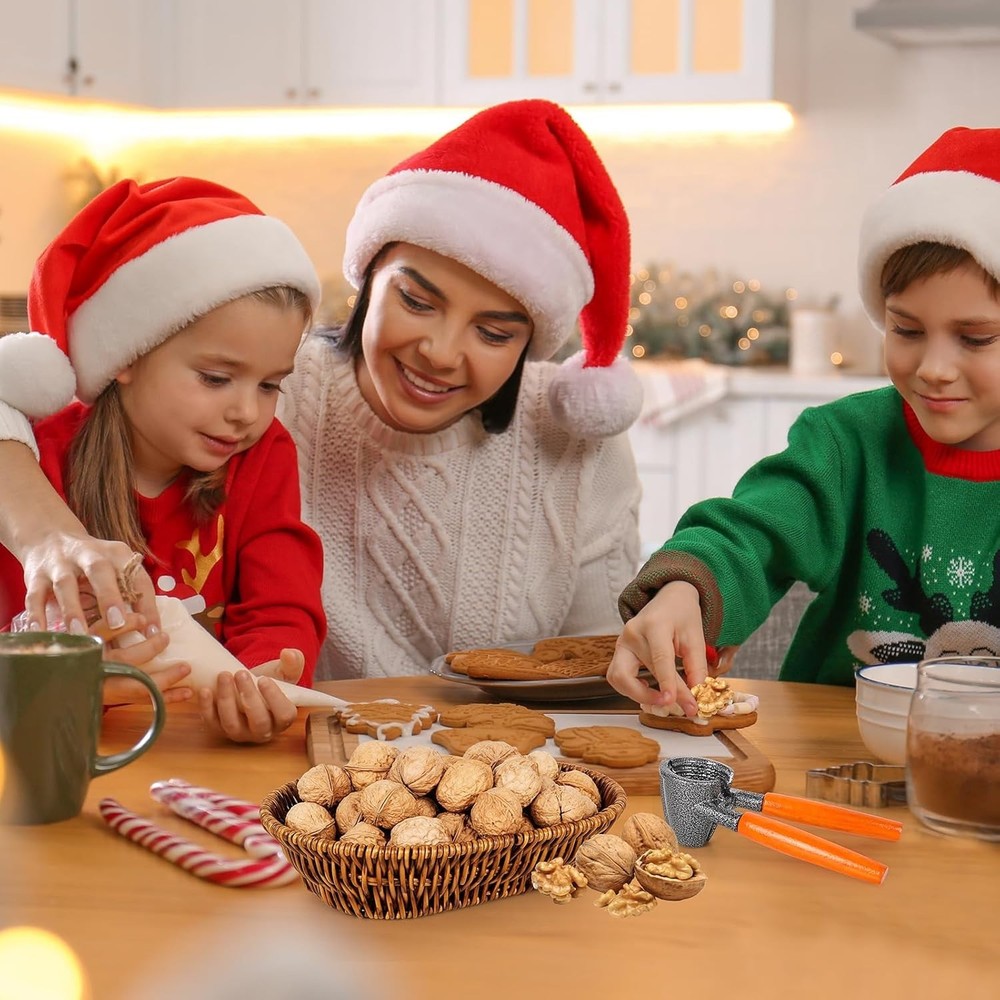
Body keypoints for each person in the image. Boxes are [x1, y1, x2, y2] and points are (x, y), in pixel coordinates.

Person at [0, 100, 643, 681]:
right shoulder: (277, 385)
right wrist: (49, 536)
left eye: (495, 333)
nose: (441, 353)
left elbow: (597, 665)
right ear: (368, 279)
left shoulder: (575, 439)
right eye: (417, 300)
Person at [608, 125, 1000, 715]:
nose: (934, 369)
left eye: (976, 338)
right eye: (907, 330)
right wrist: (687, 589)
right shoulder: (847, 445)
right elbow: (751, 536)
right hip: (832, 765)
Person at [0, 177, 326, 740]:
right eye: (216, 378)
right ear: (128, 354)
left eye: (271, 385)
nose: (246, 412)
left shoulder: (263, 455)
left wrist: (262, 681)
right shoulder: (35, 458)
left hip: (200, 747)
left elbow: (282, 605)